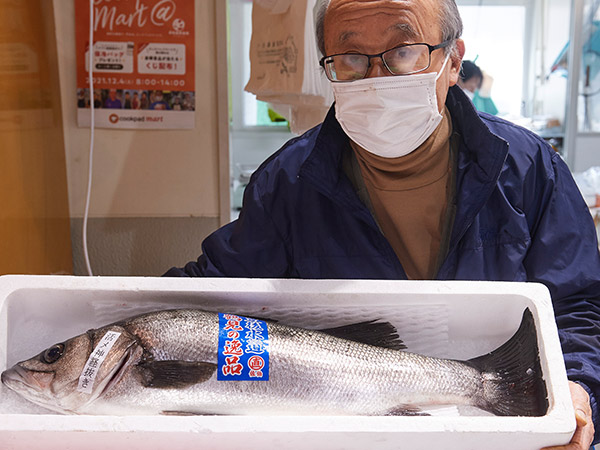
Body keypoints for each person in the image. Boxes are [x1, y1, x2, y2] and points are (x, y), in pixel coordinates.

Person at [165, 1, 600, 447]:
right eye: (351, 59)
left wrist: (578, 390)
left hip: (497, 432)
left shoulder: (528, 169)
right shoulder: (287, 184)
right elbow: (215, 296)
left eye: (404, 50)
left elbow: (578, 303)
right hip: (352, 431)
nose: (377, 78)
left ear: (453, 60)